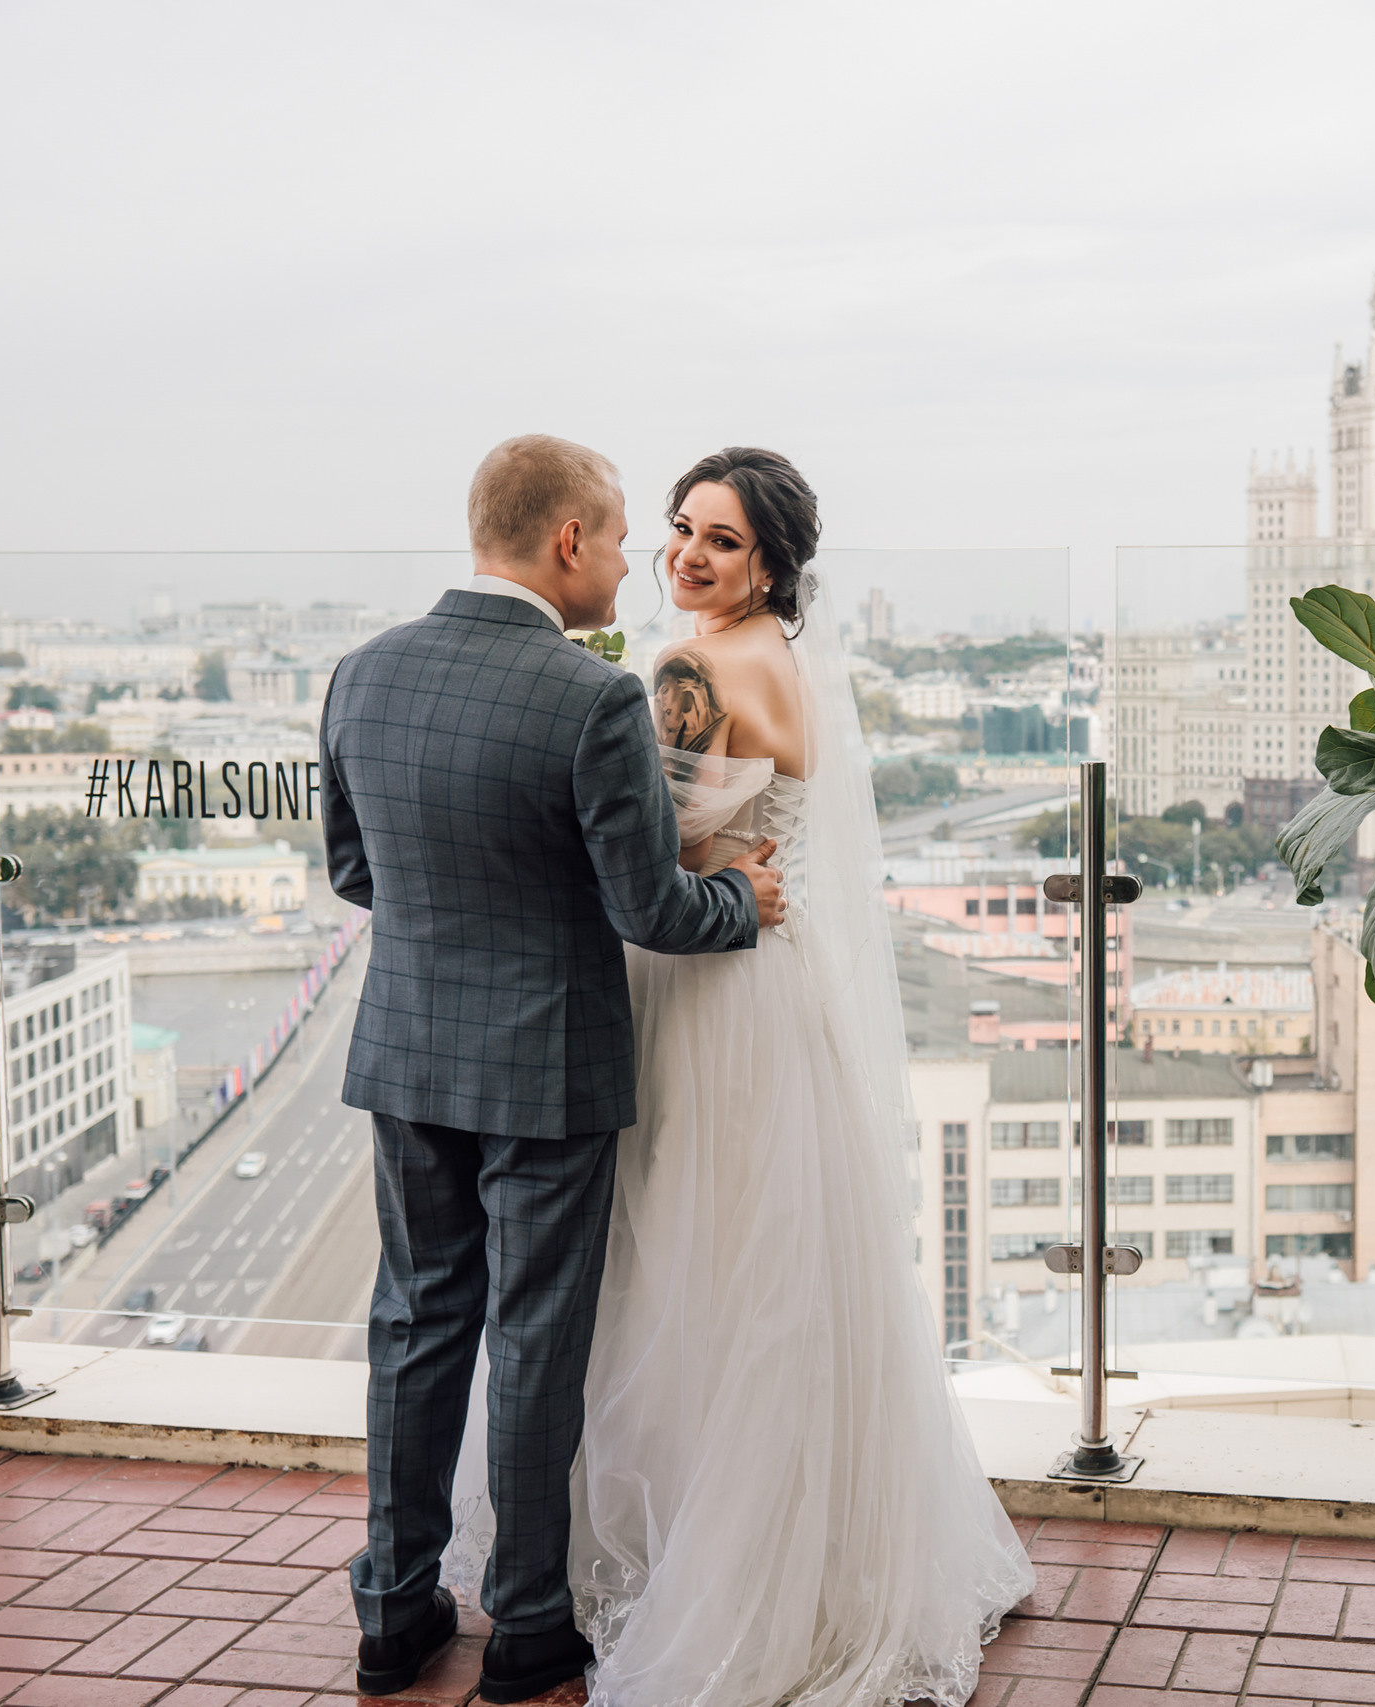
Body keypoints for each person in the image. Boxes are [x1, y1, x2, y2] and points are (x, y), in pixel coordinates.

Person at [442, 446, 1033, 1707]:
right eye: (677, 529)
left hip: (694, 984)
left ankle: (686, 1562)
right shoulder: (800, 670)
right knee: (776, 1277)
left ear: (771, 561)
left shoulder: (688, 670)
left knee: (669, 1274)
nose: (685, 556)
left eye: (719, 539)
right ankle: (813, 1554)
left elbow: (637, 857)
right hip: (780, 987)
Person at [320, 435, 787, 1702]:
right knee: (531, 1340)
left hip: (408, 1058)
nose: (638, 559)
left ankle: (392, 1611)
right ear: (567, 542)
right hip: (548, 1071)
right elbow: (651, 911)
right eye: (628, 535)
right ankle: (527, 1628)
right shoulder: (589, 702)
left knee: (415, 1327)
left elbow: (355, 875)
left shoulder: (360, 674)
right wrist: (742, 898)